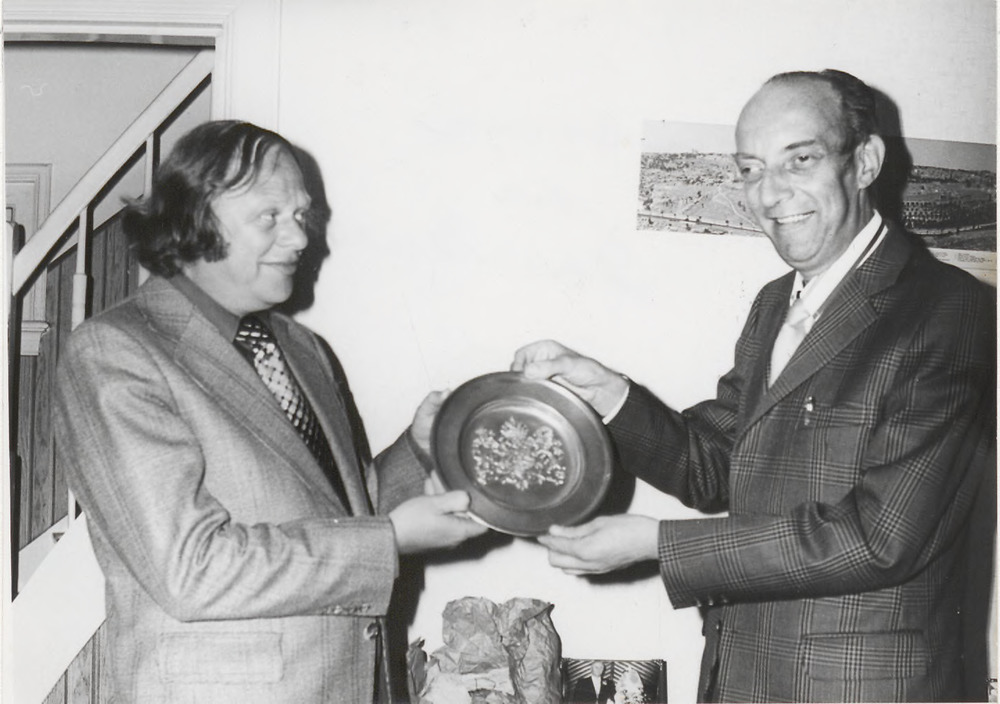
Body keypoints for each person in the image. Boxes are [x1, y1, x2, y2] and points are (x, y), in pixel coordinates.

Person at [513, 70, 995, 702]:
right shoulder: (774, 304)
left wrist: (658, 546)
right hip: (741, 679)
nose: (770, 194)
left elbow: (880, 537)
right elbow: (713, 467)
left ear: (865, 162)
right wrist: (608, 394)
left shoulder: (950, 309)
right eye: (750, 169)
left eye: (800, 159)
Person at [53, 120, 488, 703]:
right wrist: (389, 543)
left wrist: (419, 449)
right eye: (271, 217)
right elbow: (190, 570)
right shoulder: (116, 352)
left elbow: (342, 514)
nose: (301, 237)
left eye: (302, 215)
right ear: (195, 217)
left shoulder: (301, 349)